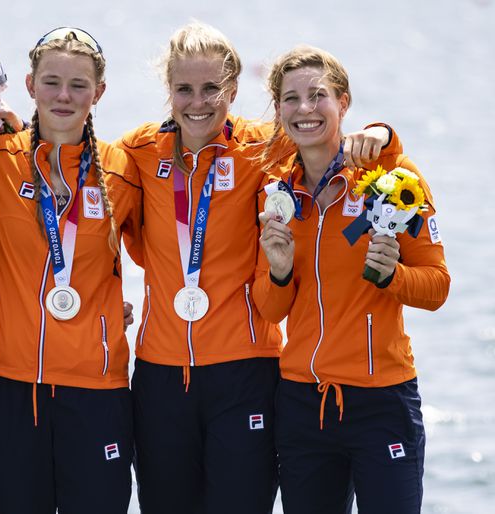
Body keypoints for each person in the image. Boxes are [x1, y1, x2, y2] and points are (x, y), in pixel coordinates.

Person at [116, 22, 400, 513]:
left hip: (246, 370)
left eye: (212, 89)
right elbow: (79, 197)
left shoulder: (265, 146)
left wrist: (381, 134)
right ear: (169, 90)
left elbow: (335, 141)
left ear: (233, 89)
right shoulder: (137, 152)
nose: (198, 102)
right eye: (184, 89)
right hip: (159, 375)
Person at [252, 45, 449, 514]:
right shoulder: (276, 191)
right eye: (290, 98)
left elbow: (437, 286)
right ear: (278, 110)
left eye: (317, 95)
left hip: (382, 402)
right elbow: (270, 309)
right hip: (302, 403)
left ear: (344, 102)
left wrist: (392, 277)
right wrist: (279, 273)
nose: (304, 109)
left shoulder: (393, 178)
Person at [0, 28, 142, 513]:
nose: (64, 96)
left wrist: (110, 313)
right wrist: (2, 318)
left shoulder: (123, 168)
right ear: (29, 84)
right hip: (10, 388)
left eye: (79, 85)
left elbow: (162, 255)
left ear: (99, 92)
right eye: (52, 82)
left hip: (97, 390)